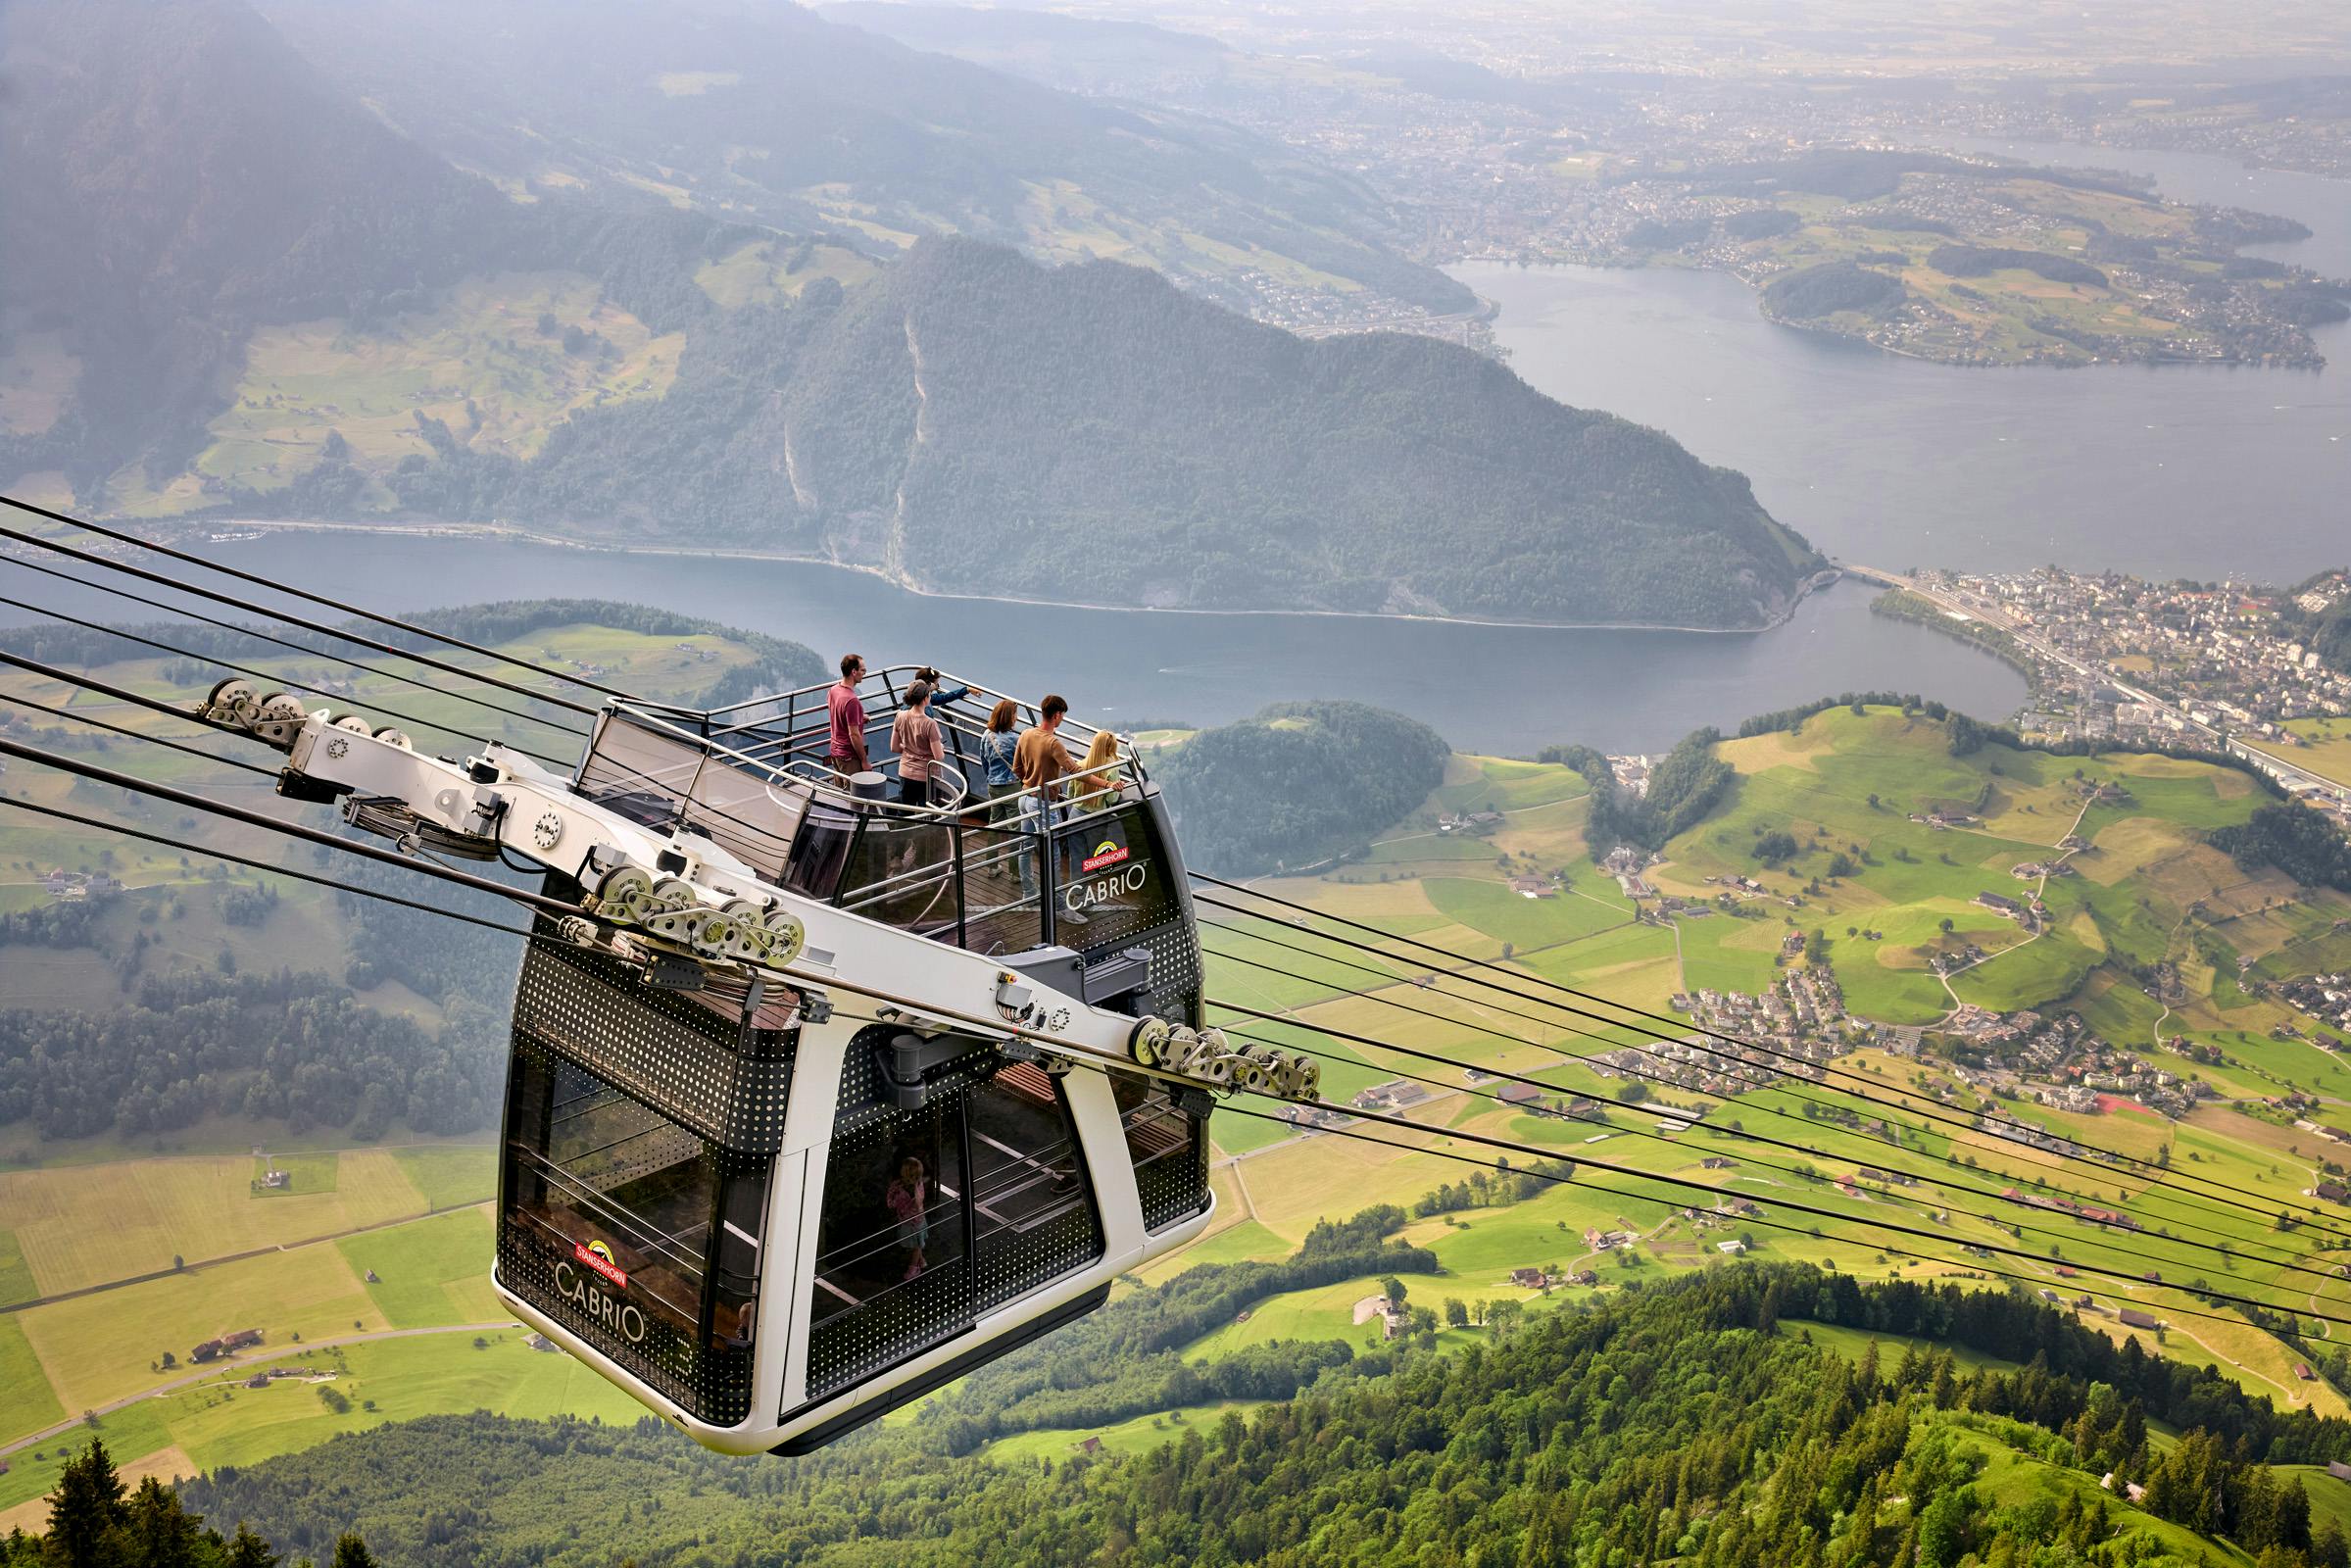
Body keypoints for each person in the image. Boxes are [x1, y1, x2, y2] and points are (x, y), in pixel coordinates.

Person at [888, 680, 944, 808]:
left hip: (905, 771)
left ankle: (900, 827)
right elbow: (938, 757)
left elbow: (894, 747)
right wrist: (940, 747)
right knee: (927, 812)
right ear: (925, 698)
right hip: (925, 776)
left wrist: (910, 750)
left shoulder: (900, 715)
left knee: (904, 811)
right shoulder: (930, 724)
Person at [885, 1153, 931, 1281]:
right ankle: (921, 1261)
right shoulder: (919, 1184)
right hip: (917, 1220)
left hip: (910, 1223)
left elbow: (892, 1204)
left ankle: (914, 1268)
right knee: (917, 1243)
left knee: (916, 1246)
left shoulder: (899, 1188)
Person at [977, 698, 1023, 824]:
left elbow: (984, 761)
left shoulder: (987, 734)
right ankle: (1017, 845)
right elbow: (1024, 763)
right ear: (1009, 717)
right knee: (1016, 825)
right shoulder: (1016, 739)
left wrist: (991, 777)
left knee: (995, 822)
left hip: (993, 785)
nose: (1016, 718)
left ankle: (992, 844)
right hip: (1011, 785)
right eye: (1015, 715)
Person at [826, 654, 868, 780]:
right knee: (853, 797)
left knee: (840, 796)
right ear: (854, 672)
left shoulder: (834, 690)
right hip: (849, 758)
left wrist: (858, 717)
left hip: (835, 753)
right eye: (863, 670)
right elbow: (854, 735)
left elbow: (838, 713)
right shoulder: (852, 700)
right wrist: (864, 760)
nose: (865, 673)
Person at [1069, 729, 1125, 813]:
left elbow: (1070, 794)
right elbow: (1111, 799)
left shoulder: (1079, 765)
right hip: (1098, 816)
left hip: (1075, 814)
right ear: (1112, 748)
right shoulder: (1112, 769)